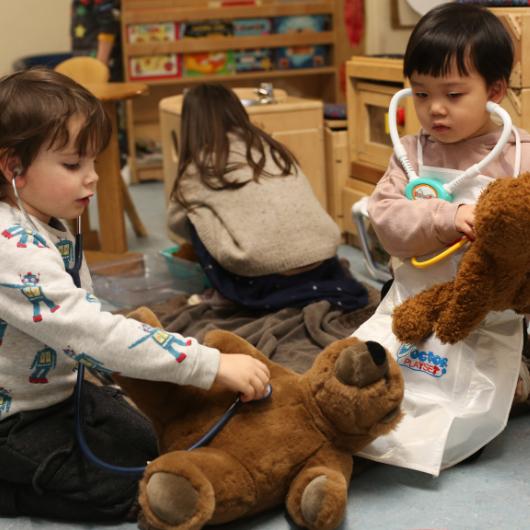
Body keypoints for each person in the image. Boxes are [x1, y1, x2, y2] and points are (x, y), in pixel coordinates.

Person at [0, 69, 270, 523]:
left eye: (93, 162)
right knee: (132, 490)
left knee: (152, 445)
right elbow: (90, 332)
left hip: (61, 394)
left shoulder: (48, 220)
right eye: (72, 165)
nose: (93, 179)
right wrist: (207, 364)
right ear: (14, 168)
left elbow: (86, 317)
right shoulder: (11, 249)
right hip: (13, 420)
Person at [353, 2, 530, 475]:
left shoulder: (518, 157)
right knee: (356, 382)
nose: (435, 109)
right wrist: (447, 216)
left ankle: (518, 370)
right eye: (421, 93)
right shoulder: (410, 153)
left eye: (453, 93)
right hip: (410, 301)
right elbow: (387, 220)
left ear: (494, 91)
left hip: (486, 316)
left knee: (465, 407)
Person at [167, 83, 368, 311]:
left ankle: (226, 292)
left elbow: (175, 221)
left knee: (194, 213)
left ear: (191, 125)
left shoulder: (201, 165)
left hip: (262, 277)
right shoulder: (272, 147)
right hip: (322, 257)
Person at [71, 0, 123, 81]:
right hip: (82, 57)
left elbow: (108, 32)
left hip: (103, 62)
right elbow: (74, 33)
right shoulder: (77, 3)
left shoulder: (105, 4)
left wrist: (100, 67)